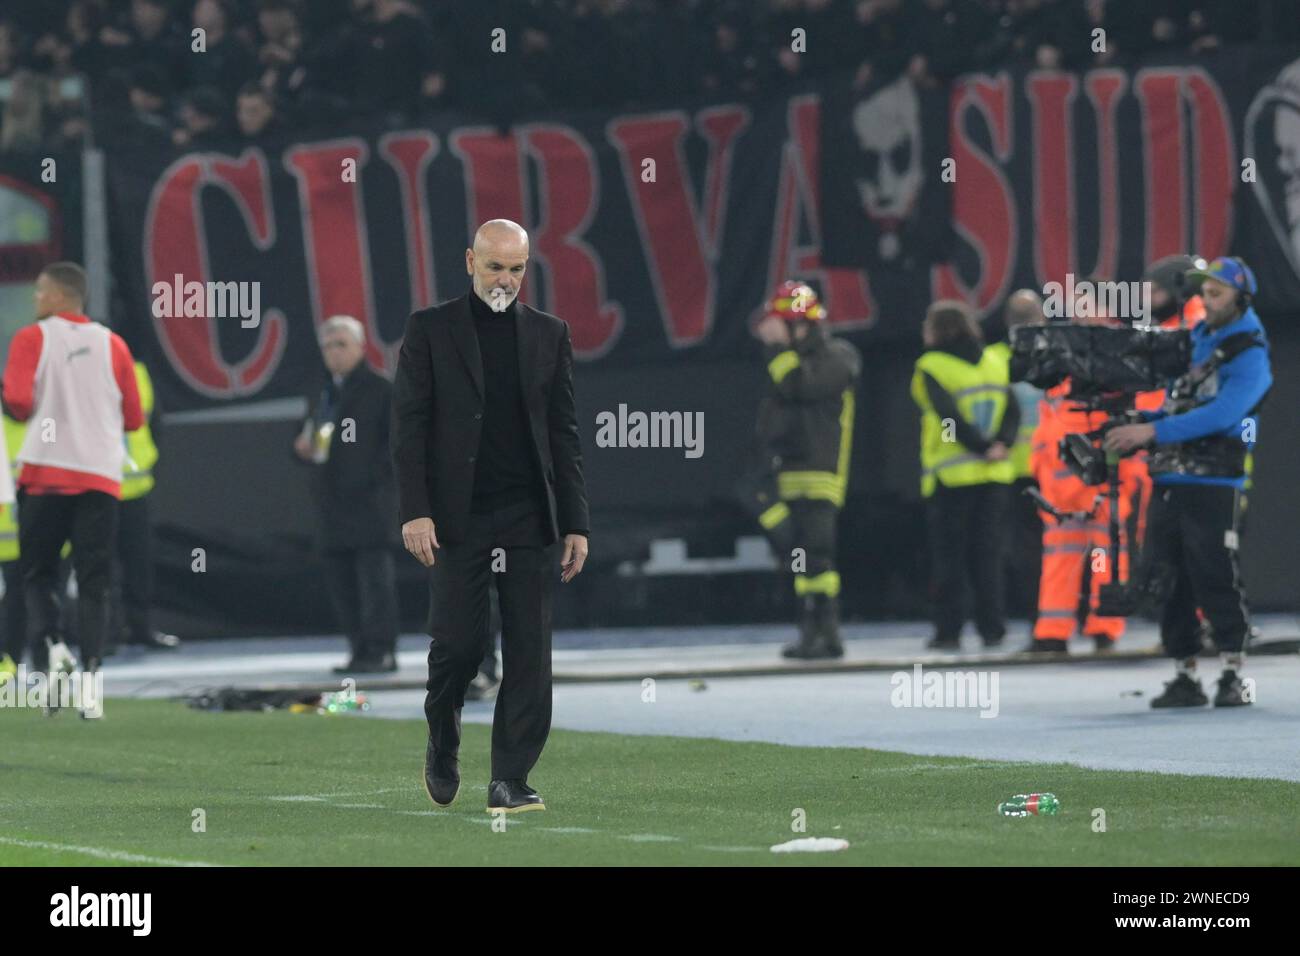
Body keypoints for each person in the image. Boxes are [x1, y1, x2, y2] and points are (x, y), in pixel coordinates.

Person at [392, 219, 589, 813]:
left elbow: (564, 433)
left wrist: (575, 520)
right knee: (458, 643)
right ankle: (442, 736)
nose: (506, 278)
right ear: (469, 261)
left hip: (528, 515)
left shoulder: (550, 334)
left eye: (517, 268)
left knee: (531, 648)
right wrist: (415, 511)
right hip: (457, 518)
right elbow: (409, 428)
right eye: (495, 266)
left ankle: (510, 776)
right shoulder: (429, 329)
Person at [1105, 257, 1272, 708]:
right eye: (1204, 291)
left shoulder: (1249, 350)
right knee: (1167, 576)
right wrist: (1141, 421)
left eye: (1216, 292)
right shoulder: (1200, 339)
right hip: (1171, 477)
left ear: (1241, 296)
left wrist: (1151, 431)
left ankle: (1233, 675)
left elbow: (1223, 414)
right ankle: (1185, 675)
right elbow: (1184, 404)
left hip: (1215, 482)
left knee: (1215, 574)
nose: (1206, 300)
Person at [1, 262, 143, 714]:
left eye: (41, 292)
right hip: (101, 476)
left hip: (46, 475)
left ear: (61, 296)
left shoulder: (32, 338)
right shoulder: (114, 344)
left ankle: (55, 644)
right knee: (95, 579)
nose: (36, 299)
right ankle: (92, 681)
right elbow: (134, 417)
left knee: (38, 574)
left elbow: (19, 404)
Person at [750, 280, 860, 659]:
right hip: (787, 474)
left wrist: (778, 348)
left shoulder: (838, 356)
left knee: (818, 557)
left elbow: (799, 387)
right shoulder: (789, 360)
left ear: (801, 323)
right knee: (798, 558)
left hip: (819, 476)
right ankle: (810, 632)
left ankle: (827, 633)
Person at [294, 315, 400, 674]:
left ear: (360, 347)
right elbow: (310, 437)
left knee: (375, 583)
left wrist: (375, 480)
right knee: (342, 583)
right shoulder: (322, 390)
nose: (333, 352)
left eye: (341, 344)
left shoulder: (380, 388)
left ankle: (381, 650)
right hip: (330, 502)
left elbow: (397, 444)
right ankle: (358, 649)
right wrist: (301, 449)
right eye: (327, 345)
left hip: (370, 504)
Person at [911, 299, 1017, 651]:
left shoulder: (932, 366)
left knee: (949, 558)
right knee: (988, 556)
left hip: (952, 478)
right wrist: (1000, 444)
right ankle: (993, 628)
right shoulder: (995, 361)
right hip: (995, 474)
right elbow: (1012, 409)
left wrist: (978, 446)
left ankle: (949, 630)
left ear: (938, 330)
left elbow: (947, 418)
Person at [112, 359, 180, 653]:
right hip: (97, 487)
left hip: (135, 486)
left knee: (139, 562)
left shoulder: (138, 371)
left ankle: (140, 628)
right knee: (100, 565)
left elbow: (154, 423)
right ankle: (107, 633)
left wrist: (148, 461)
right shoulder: (77, 370)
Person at [985, 289, 1045, 619]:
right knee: (1059, 545)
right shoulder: (1058, 354)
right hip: (1053, 468)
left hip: (1004, 466)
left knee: (1014, 545)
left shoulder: (992, 358)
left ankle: (1027, 608)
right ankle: (1057, 611)